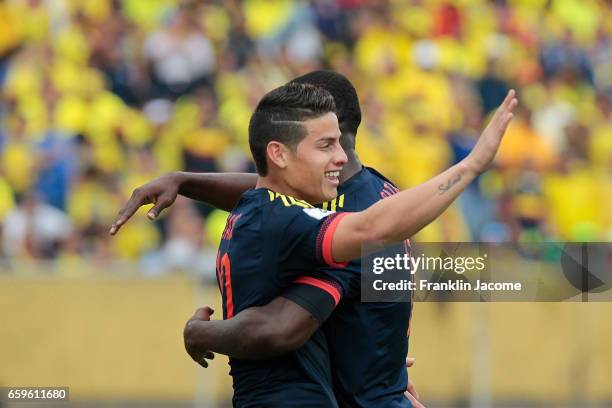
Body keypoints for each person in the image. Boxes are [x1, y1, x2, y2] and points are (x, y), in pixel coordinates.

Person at [111, 73, 517, 407]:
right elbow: (267, 197)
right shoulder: (359, 196)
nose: (336, 156)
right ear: (283, 153)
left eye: (333, 142)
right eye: (324, 146)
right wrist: (183, 181)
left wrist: (200, 333)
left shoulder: (336, 213)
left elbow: (285, 323)